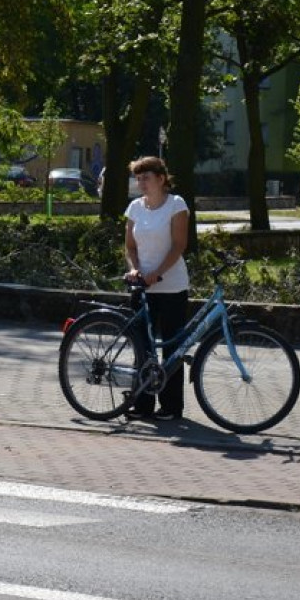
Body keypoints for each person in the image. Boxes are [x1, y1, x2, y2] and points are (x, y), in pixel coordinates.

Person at [123, 156, 190, 421]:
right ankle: (142, 404)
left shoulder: (176, 205)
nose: (140, 183)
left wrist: (157, 274)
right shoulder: (135, 208)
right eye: (138, 178)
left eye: (146, 178)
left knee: (171, 348)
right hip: (142, 287)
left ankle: (172, 407)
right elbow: (130, 245)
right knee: (142, 347)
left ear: (161, 179)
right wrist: (135, 269)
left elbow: (178, 245)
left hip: (171, 286)